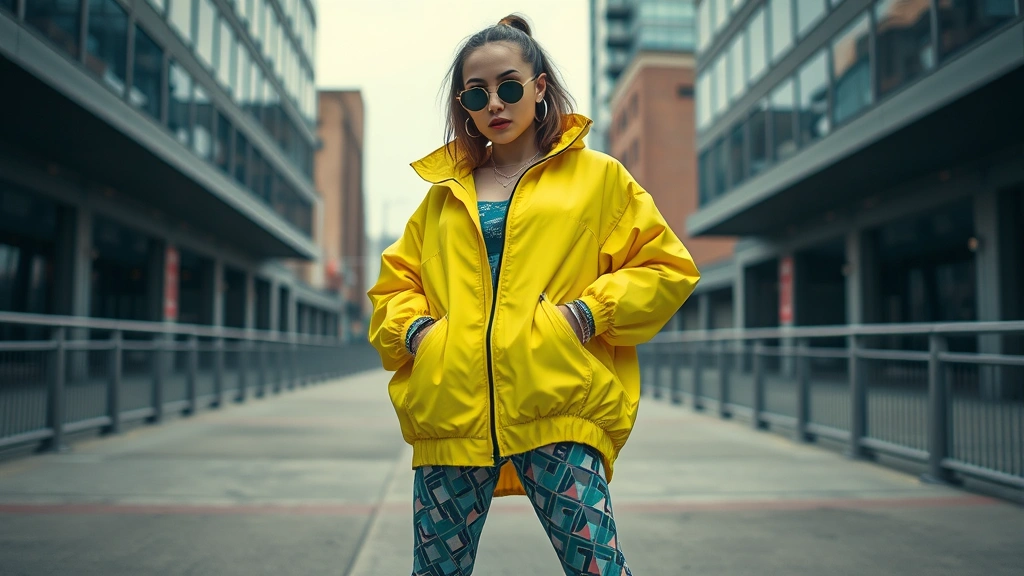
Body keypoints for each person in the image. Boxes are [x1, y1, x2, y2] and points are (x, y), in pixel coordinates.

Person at [368, 14, 699, 576]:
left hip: (557, 402)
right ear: (464, 104)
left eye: (510, 85)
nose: (495, 102)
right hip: (453, 416)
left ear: (540, 87)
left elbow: (665, 266)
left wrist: (584, 316)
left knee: (598, 567)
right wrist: (421, 335)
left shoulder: (598, 179)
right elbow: (394, 287)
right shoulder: (443, 198)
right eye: (477, 93)